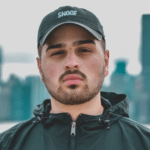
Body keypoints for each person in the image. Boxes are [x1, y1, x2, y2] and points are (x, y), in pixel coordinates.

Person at [0, 5, 150, 150]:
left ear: (106, 61)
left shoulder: (144, 143)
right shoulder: (7, 145)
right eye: (58, 52)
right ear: (40, 67)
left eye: (84, 50)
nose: (71, 63)